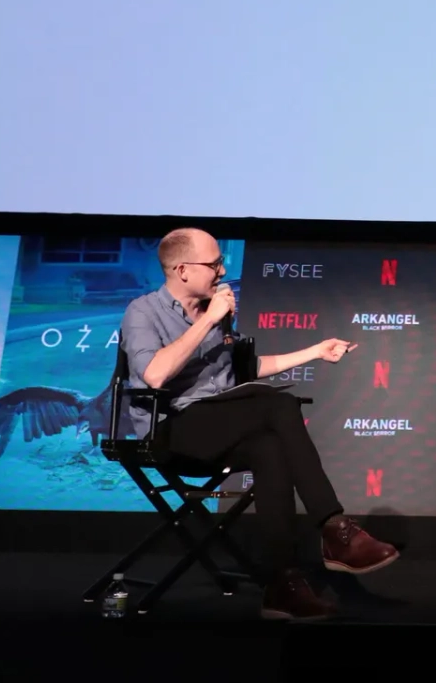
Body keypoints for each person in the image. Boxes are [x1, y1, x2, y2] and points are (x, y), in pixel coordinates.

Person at [121, 228, 398, 623]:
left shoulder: (215, 312)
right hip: (171, 430)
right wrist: (208, 321)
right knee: (279, 405)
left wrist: (316, 352)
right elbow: (155, 375)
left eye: (221, 262)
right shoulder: (143, 312)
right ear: (182, 270)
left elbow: (245, 372)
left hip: (216, 423)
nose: (222, 270)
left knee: (270, 448)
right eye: (213, 263)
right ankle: (334, 529)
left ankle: (282, 583)